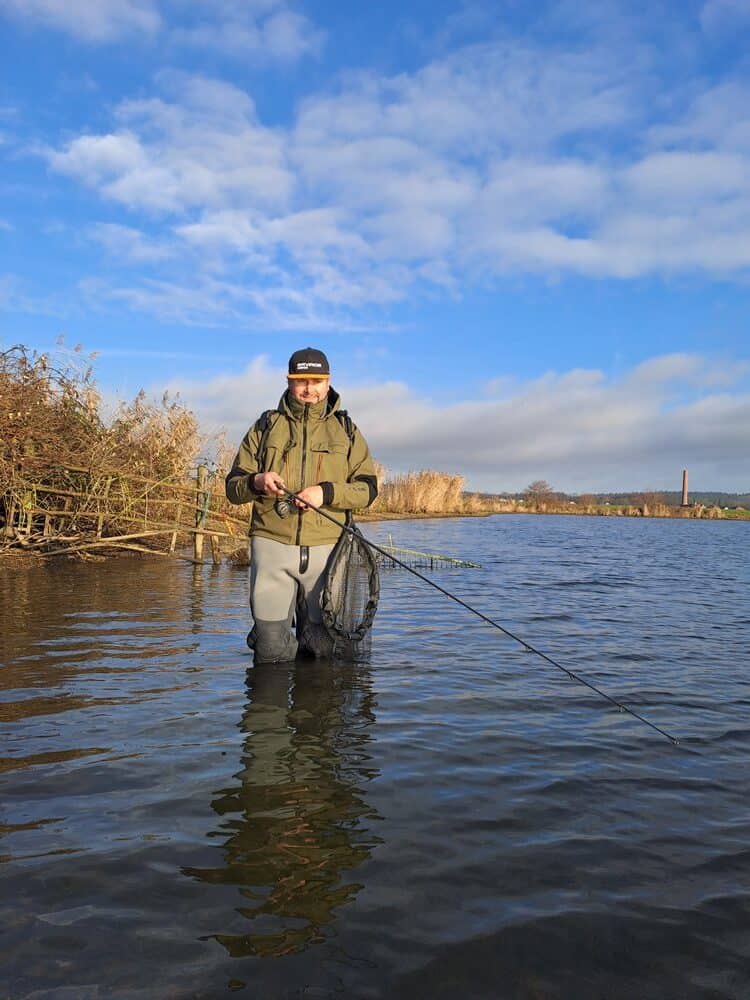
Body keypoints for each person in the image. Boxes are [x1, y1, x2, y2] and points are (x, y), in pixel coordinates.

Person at [225, 348, 378, 663]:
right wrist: (257, 481)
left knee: (322, 650)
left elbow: (368, 490)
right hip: (270, 546)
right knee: (270, 650)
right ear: (288, 381)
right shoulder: (265, 426)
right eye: (301, 381)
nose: (309, 388)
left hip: (328, 554)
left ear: (328, 381)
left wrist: (326, 493)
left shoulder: (347, 430)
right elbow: (233, 488)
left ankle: (315, 709)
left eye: (316, 380)